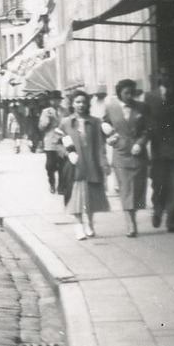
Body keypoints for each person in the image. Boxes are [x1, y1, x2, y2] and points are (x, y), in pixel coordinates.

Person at [103, 78, 151, 237]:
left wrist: (141, 143)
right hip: (121, 152)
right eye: (126, 93)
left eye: (132, 92)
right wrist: (109, 138)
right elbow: (104, 126)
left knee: (136, 189)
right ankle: (130, 223)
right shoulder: (111, 107)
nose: (129, 96)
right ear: (119, 93)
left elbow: (147, 129)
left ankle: (133, 216)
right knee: (125, 189)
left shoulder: (142, 107)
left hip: (138, 152)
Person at [62, 90, 110, 240]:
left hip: (91, 162)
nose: (81, 105)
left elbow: (100, 144)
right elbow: (58, 142)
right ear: (72, 104)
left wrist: (104, 162)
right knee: (76, 195)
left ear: (87, 104)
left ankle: (89, 222)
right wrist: (68, 153)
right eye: (77, 102)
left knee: (90, 195)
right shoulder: (66, 122)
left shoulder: (95, 122)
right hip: (75, 165)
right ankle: (78, 225)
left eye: (83, 102)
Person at [150, 72, 174, 232]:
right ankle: (158, 210)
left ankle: (172, 220)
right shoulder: (150, 97)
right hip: (158, 151)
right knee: (159, 184)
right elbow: (147, 122)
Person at [37, 91, 66, 201]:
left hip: (62, 141)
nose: (56, 101)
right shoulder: (46, 112)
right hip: (50, 142)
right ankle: (52, 183)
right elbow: (41, 127)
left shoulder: (65, 111)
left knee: (62, 164)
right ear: (50, 101)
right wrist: (47, 121)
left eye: (58, 99)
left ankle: (61, 187)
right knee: (50, 165)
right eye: (53, 99)